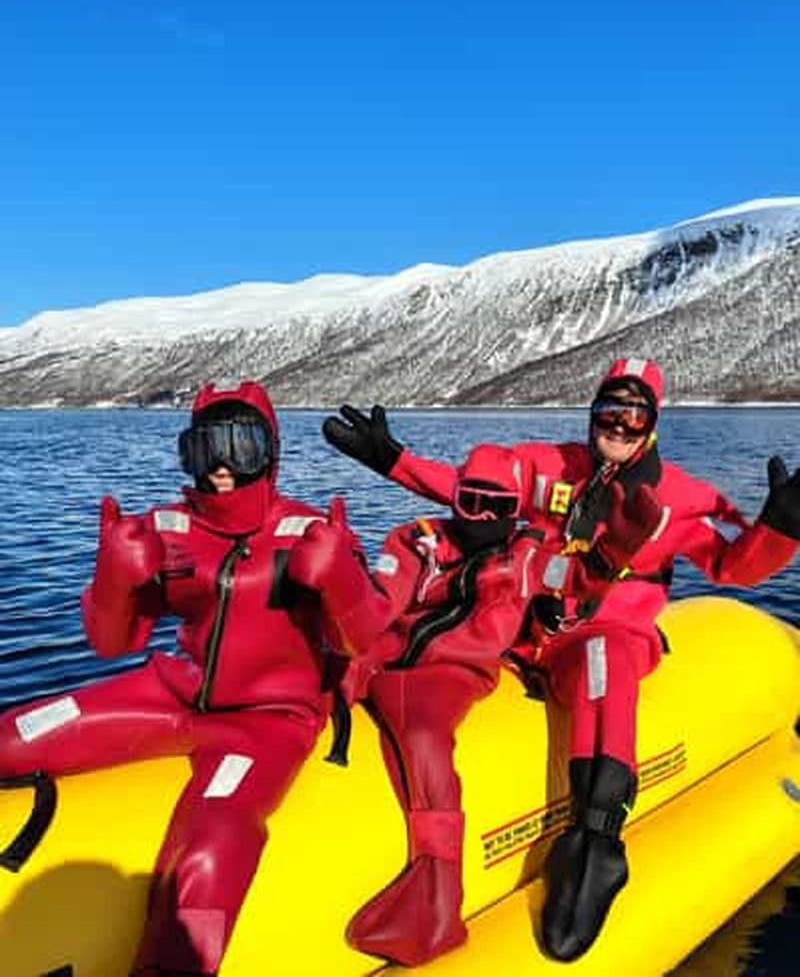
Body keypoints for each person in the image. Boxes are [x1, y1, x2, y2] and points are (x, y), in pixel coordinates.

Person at [322, 357, 800, 961]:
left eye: (634, 416)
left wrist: (781, 528)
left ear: (653, 424)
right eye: (609, 412)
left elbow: (734, 568)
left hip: (601, 636)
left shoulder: (681, 499)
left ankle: (597, 843)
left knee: (604, 661)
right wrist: (391, 460)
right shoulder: (550, 467)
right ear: (592, 412)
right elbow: (471, 492)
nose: (618, 428)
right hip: (526, 635)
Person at [0, 381, 390, 977]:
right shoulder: (171, 531)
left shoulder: (312, 533)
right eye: (208, 447)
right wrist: (111, 579)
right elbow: (113, 644)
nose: (226, 466)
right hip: (171, 694)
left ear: (272, 451)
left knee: (212, 844)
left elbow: (366, 641)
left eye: (244, 444)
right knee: (14, 735)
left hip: (264, 724)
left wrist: (342, 580)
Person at [337, 441, 662, 966]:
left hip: (450, 672)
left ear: (516, 512)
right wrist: (344, 632)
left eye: (498, 507)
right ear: (455, 499)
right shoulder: (418, 541)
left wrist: (614, 551)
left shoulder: (528, 560)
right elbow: (384, 597)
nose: (483, 517)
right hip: (385, 656)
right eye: (471, 502)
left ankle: (436, 888)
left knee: (423, 738)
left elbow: (575, 579)